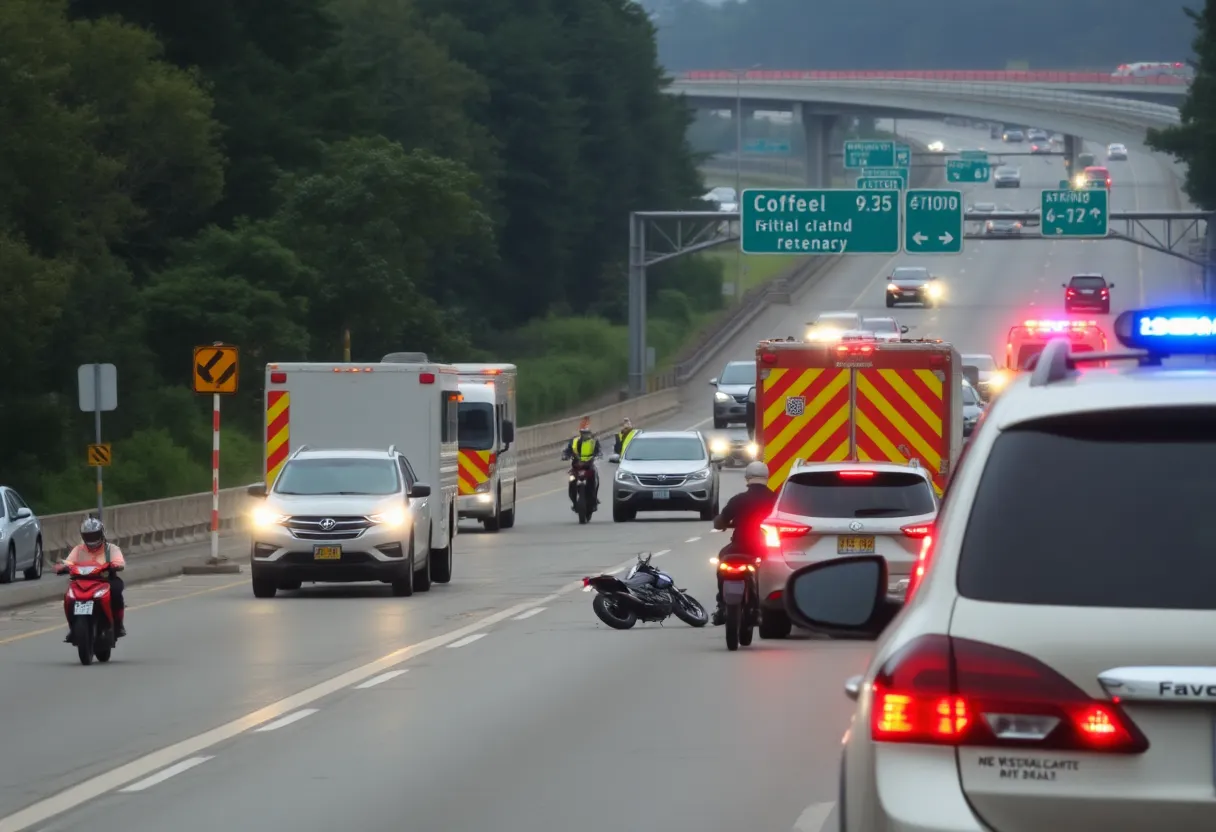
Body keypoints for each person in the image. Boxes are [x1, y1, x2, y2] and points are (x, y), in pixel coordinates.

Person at [710, 461, 777, 625]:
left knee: (722, 558)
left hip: (740, 546)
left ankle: (721, 605)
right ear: (767, 477)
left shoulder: (738, 499)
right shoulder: (776, 500)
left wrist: (722, 524)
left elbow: (720, 522)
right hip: (765, 548)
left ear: (747, 478)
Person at [57, 516, 126, 641]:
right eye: (89, 536)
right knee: (69, 598)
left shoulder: (111, 549)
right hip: (81, 582)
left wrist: (115, 565)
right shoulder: (78, 549)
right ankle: (73, 628)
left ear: (101, 534)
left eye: (95, 535)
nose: (92, 539)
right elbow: (69, 562)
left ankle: (118, 624)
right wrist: (63, 567)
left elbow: (119, 562)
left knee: (116, 593)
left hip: (105, 580)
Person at [561, 416, 602, 508]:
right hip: (577, 466)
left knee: (595, 478)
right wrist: (565, 455)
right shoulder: (574, 441)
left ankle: (594, 499)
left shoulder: (593, 442)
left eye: (587, 433)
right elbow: (568, 450)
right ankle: (574, 501)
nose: (585, 435)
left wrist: (599, 454)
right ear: (580, 433)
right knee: (571, 481)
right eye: (583, 433)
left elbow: (598, 450)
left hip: (589, 465)